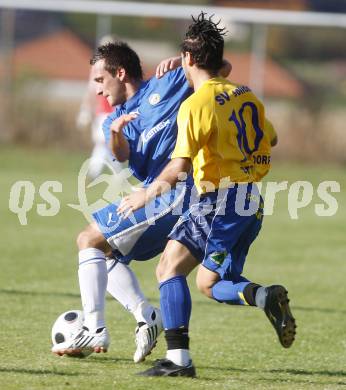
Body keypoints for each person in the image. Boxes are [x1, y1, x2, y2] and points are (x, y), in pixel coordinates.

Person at [117, 12, 296, 377]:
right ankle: (265, 296)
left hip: (220, 201)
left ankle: (179, 361)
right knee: (209, 284)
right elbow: (272, 138)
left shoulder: (195, 105)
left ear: (188, 59)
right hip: (251, 202)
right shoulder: (244, 93)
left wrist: (144, 196)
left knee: (168, 268)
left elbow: (177, 167)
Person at [51, 40, 232, 361]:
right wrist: (117, 133)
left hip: (181, 191)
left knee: (89, 239)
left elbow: (222, 69)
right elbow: (121, 158)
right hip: (155, 194)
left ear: (120, 73)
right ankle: (146, 317)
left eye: (100, 81)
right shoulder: (112, 120)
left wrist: (181, 61)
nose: (97, 91)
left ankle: (94, 328)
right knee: (103, 254)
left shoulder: (169, 82)